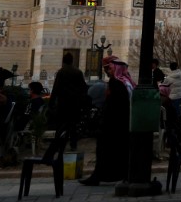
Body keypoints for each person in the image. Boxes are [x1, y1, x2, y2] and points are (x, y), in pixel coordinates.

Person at [80, 56, 134, 185]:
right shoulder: (127, 82)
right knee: (119, 151)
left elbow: (114, 105)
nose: (107, 72)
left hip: (113, 123)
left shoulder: (116, 83)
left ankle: (98, 176)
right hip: (123, 123)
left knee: (105, 151)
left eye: (109, 69)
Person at [51, 51, 90, 150]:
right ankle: (73, 145)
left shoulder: (61, 72)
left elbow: (55, 88)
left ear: (63, 61)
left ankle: (58, 145)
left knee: (60, 125)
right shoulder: (78, 72)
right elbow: (84, 88)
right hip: (75, 104)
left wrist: (51, 103)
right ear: (72, 61)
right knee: (73, 126)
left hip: (63, 103)